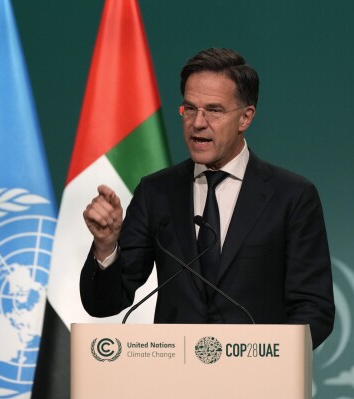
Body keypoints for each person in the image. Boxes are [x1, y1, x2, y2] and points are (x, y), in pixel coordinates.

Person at [80, 48, 334, 349]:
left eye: (213, 110)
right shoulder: (156, 192)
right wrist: (107, 247)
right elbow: (104, 304)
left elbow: (314, 308)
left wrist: (272, 360)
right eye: (189, 109)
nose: (198, 123)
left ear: (245, 118)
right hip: (174, 381)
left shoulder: (292, 196)